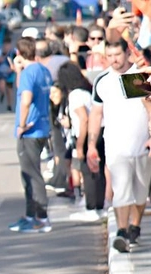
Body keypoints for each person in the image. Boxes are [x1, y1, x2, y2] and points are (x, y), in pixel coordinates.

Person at [87, 39, 150, 253]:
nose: (114, 59)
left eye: (118, 55)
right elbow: (96, 113)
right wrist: (91, 144)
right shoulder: (103, 81)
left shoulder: (136, 76)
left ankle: (135, 226)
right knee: (121, 189)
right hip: (115, 145)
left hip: (142, 144)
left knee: (140, 191)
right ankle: (122, 231)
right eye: (110, 55)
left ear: (126, 53)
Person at [8, 37, 54, 234]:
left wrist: (22, 124)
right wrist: (18, 70)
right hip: (42, 126)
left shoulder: (29, 72)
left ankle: (41, 217)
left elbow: (25, 99)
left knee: (32, 175)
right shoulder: (42, 70)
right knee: (28, 173)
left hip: (30, 130)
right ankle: (30, 215)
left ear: (19, 53)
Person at [57, 63, 99, 219]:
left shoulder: (75, 95)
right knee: (94, 170)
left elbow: (83, 119)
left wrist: (80, 145)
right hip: (95, 132)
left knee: (86, 171)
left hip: (84, 134)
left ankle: (91, 205)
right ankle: (95, 203)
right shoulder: (86, 90)